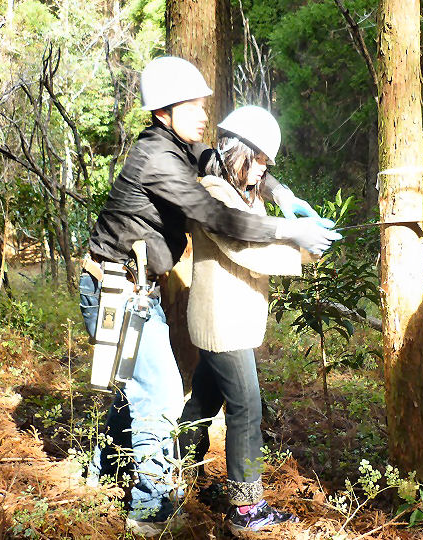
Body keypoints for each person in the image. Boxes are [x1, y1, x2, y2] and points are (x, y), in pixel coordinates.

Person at [79, 57, 340, 537]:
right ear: (162, 111)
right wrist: (292, 233)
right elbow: (218, 217)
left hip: (135, 287)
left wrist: (283, 196)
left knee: (141, 388)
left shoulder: (176, 147)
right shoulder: (157, 160)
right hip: (113, 286)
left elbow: (224, 160)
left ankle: (101, 473)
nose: (204, 114)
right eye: (193, 106)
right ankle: (149, 510)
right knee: (155, 393)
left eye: (203, 104)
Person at [180, 105, 317, 536]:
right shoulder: (214, 193)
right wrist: (303, 248)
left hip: (230, 319)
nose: (263, 170)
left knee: (204, 401)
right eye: (258, 160)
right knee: (246, 407)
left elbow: (263, 187)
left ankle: (174, 471)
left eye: (267, 164)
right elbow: (244, 247)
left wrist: (286, 197)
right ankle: (247, 507)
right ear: (239, 153)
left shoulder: (243, 185)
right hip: (222, 322)